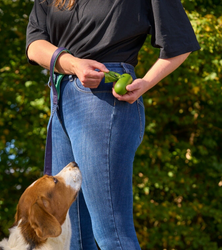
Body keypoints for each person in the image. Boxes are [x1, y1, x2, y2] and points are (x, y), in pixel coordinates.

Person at [26, 0, 200, 249]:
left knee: (111, 233)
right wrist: (74, 64)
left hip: (106, 97)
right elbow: (34, 44)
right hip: (61, 98)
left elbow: (180, 41)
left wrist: (146, 82)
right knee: (69, 239)